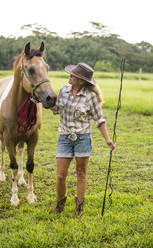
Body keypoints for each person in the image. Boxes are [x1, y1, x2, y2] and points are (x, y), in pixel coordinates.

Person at [51, 62, 115, 216]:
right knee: (60, 175)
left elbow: (99, 120)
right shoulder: (64, 90)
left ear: (81, 80)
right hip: (64, 137)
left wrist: (107, 140)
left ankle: (79, 208)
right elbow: (57, 110)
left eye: (73, 75)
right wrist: (47, 102)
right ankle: (59, 206)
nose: (70, 76)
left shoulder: (90, 96)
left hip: (83, 138)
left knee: (81, 173)